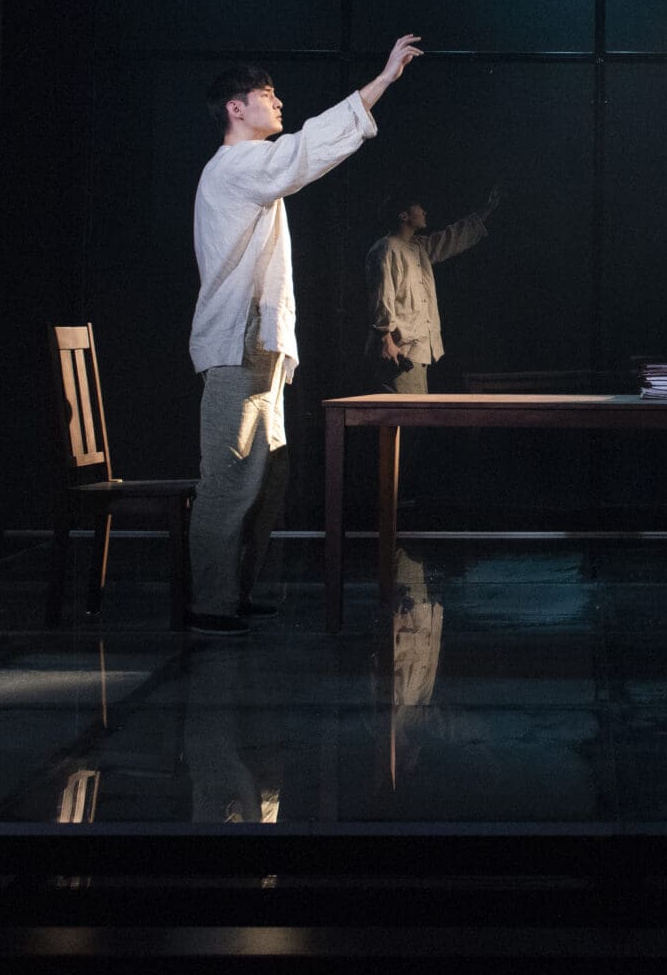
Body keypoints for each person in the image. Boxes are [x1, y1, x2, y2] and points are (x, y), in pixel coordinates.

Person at [188, 35, 424, 636]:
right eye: (266, 94)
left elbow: (298, 153)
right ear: (235, 108)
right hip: (238, 342)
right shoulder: (236, 165)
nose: (277, 100)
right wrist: (383, 81)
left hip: (260, 345)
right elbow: (305, 151)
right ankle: (210, 601)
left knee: (267, 475)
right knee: (232, 474)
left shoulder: (249, 170)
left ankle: (232, 593)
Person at [364, 185, 503, 393]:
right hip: (398, 350)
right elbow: (382, 296)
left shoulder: (419, 247)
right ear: (404, 215)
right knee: (403, 416)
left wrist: (487, 210)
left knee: (411, 415)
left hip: (416, 350)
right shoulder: (386, 249)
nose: (424, 212)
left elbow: (452, 237)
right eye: (418, 208)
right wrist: (386, 339)